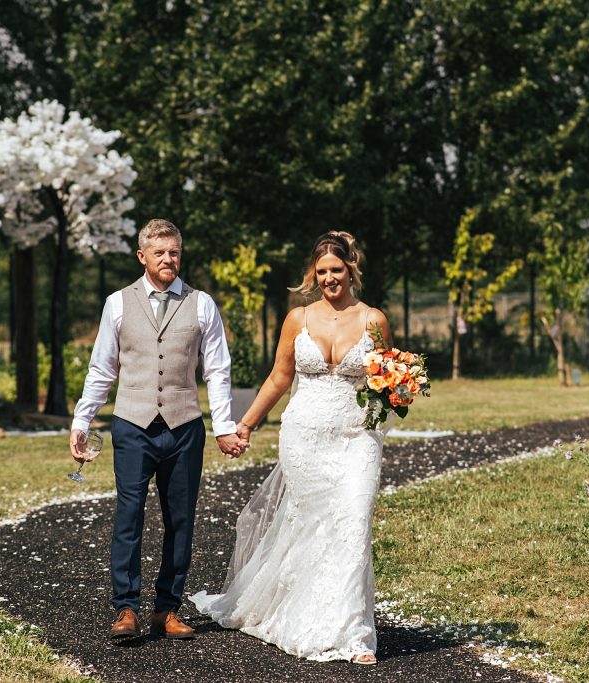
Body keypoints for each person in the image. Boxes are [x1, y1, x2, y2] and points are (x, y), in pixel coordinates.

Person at [190, 231, 391, 665]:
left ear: (351, 269)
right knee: (311, 527)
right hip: (305, 439)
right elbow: (280, 378)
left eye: (336, 270)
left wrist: (402, 389)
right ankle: (304, 612)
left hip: (357, 439)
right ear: (312, 274)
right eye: (321, 272)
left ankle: (355, 633)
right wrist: (245, 425)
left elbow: (385, 381)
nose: (329, 279)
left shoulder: (374, 319)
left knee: (353, 524)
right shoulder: (298, 319)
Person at [70, 218, 248, 640]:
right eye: (160, 252)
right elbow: (102, 368)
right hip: (132, 425)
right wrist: (82, 419)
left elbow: (218, 370)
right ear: (142, 256)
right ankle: (125, 609)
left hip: (185, 426)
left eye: (174, 252)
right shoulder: (117, 303)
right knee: (129, 516)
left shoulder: (201, 303)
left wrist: (223, 425)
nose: (168, 259)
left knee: (180, 521)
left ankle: (167, 609)